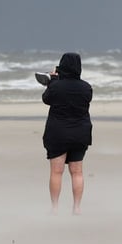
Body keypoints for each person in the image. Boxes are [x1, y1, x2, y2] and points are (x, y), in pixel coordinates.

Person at [41, 52, 93, 215]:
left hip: (58, 132)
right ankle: (76, 207)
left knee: (57, 171)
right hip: (81, 132)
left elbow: (46, 99)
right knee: (77, 171)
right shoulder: (86, 88)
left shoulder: (56, 86)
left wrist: (52, 81)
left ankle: (55, 207)